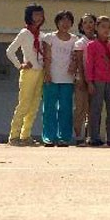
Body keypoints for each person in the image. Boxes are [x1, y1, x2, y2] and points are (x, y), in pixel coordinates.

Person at [6, 4, 46, 146]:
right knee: (24, 104)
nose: (38, 18)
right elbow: (10, 51)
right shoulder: (24, 33)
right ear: (29, 16)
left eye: (40, 15)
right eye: (35, 15)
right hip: (28, 72)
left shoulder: (42, 35)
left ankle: (25, 135)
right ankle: (14, 136)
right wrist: (20, 65)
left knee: (34, 105)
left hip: (40, 71)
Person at [41, 10, 78, 147]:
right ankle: (49, 137)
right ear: (57, 22)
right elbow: (46, 56)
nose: (65, 23)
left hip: (68, 79)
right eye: (62, 20)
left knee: (66, 108)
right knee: (49, 108)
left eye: (68, 20)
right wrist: (47, 73)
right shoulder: (49, 37)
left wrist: (73, 67)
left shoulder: (75, 39)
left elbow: (75, 57)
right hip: (51, 77)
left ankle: (64, 137)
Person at [85, 16, 110, 147]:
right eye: (103, 27)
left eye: (108, 27)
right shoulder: (92, 45)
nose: (106, 30)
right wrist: (90, 82)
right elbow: (89, 64)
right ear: (97, 28)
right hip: (97, 81)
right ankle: (94, 137)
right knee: (95, 109)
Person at [71, 13, 97, 146]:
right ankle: (78, 136)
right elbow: (79, 62)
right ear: (81, 26)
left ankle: (90, 137)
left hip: (96, 80)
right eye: (85, 23)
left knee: (92, 110)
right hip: (82, 79)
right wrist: (81, 78)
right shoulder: (80, 43)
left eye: (91, 22)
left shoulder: (99, 41)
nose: (88, 25)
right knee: (80, 108)